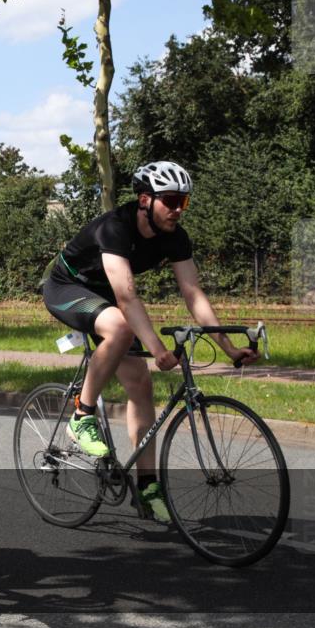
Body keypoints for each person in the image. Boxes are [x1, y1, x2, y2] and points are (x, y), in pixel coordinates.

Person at [41, 161, 259, 522]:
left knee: (141, 385)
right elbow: (127, 297)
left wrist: (230, 348)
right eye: (170, 200)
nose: (177, 209)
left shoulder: (175, 237)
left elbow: (193, 294)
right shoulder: (115, 228)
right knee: (121, 327)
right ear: (145, 199)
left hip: (106, 299)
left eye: (183, 202)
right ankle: (81, 414)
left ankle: (148, 489)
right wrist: (157, 349)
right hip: (69, 289)